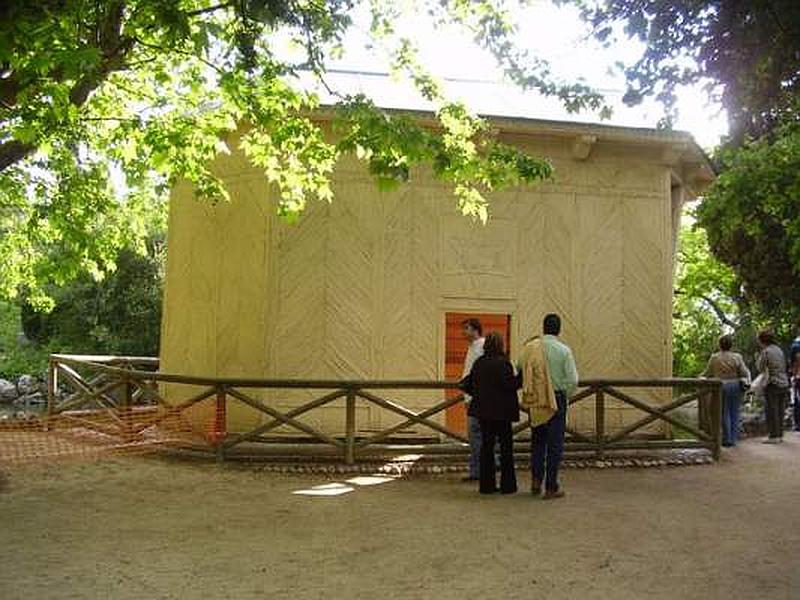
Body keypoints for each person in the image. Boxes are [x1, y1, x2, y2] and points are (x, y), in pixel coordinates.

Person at [521, 313, 578, 500]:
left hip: (537, 399)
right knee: (555, 445)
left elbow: (519, 367)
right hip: (557, 400)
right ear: (559, 329)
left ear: (543, 327)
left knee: (537, 442)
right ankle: (551, 487)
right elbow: (573, 380)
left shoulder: (531, 348)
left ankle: (536, 481)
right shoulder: (564, 351)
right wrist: (563, 396)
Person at [461, 332, 520, 494]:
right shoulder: (504, 363)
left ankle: (486, 485)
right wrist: (521, 375)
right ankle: (508, 486)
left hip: (484, 412)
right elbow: (511, 385)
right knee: (506, 448)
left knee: (486, 448)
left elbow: (469, 384)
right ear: (501, 345)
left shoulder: (480, 363)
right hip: (503, 413)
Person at [701, 334, 751, 447]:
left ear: (719, 345)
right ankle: (733, 438)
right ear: (731, 345)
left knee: (723, 412)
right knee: (734, 412)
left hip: (720, 386)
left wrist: (699, 377)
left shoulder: (715, 357)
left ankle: (726, 438)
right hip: (735, 386)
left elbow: (707, 373)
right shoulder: (737, 357)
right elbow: (744, 372)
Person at [461, 318, 485, 482]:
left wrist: (470, 396)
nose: (464, 332)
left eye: (467, 328)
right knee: (476, 435)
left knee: (476, 434)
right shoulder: (472, 347)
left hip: (478, 398)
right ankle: (477, 470)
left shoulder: (481, 346)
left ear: (475, 330)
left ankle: (479, 470)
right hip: (473, 396)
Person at [756, 330, 790, 443]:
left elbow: (760, 368)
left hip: (773, 383)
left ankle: (773, 436)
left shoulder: (766, 351)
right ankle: (779, 435)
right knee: (780, 410)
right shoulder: (779, 349)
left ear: (762, 340)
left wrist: (757, 357)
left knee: (771, 410)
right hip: (784, 382)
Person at [790, 333, 800, 432]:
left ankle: (798, 425)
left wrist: (794, 375)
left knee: (797, 399)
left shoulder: (796, 345)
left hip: (799, 376)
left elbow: (796, 361)